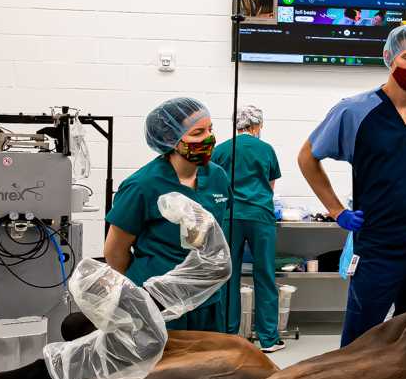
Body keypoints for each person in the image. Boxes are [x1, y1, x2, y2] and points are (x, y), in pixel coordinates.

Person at [298, 25, 406, 346]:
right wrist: (337, 211)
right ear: (388, 57)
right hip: (376, 252)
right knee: (359, 346)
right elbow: (307, 158)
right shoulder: (355, 111)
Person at [104, 97, 234, 332]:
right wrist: (146, 288)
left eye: (210, 130)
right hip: (159, 302)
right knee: (165, 366)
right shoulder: (142, 185)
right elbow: (114, 251)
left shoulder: (217, 177)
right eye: (197, 133)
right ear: (170, 139)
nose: (208, 138)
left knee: (208, 364)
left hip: (207, 298)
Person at [212, 105, 285, 353]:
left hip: (230, 216)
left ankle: (229, 336)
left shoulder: (221, 150)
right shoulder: (265, 150)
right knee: (264, 275)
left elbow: (214, 183)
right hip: (260, 216)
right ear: (257, 125)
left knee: (228, 276)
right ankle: (269, 339)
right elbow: (270, 184)